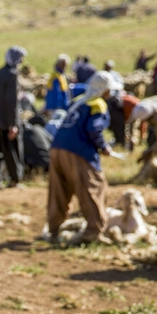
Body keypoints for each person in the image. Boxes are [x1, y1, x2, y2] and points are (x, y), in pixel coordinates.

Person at [47, 71, 122, 243]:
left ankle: (53, 229)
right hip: (78, 150)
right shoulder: (97, 104)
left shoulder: (78, 101)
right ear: (104, 90)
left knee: (59, 190)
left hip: (57, 147)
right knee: (94, 187)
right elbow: (93, 129)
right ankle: (93, 231)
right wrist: (103, 147)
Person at [0, 46, 26, 188]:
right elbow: (11, 102)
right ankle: (15, 179)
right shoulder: (12, 75)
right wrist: (12, 124)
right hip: (5, 122)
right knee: (11, 152)